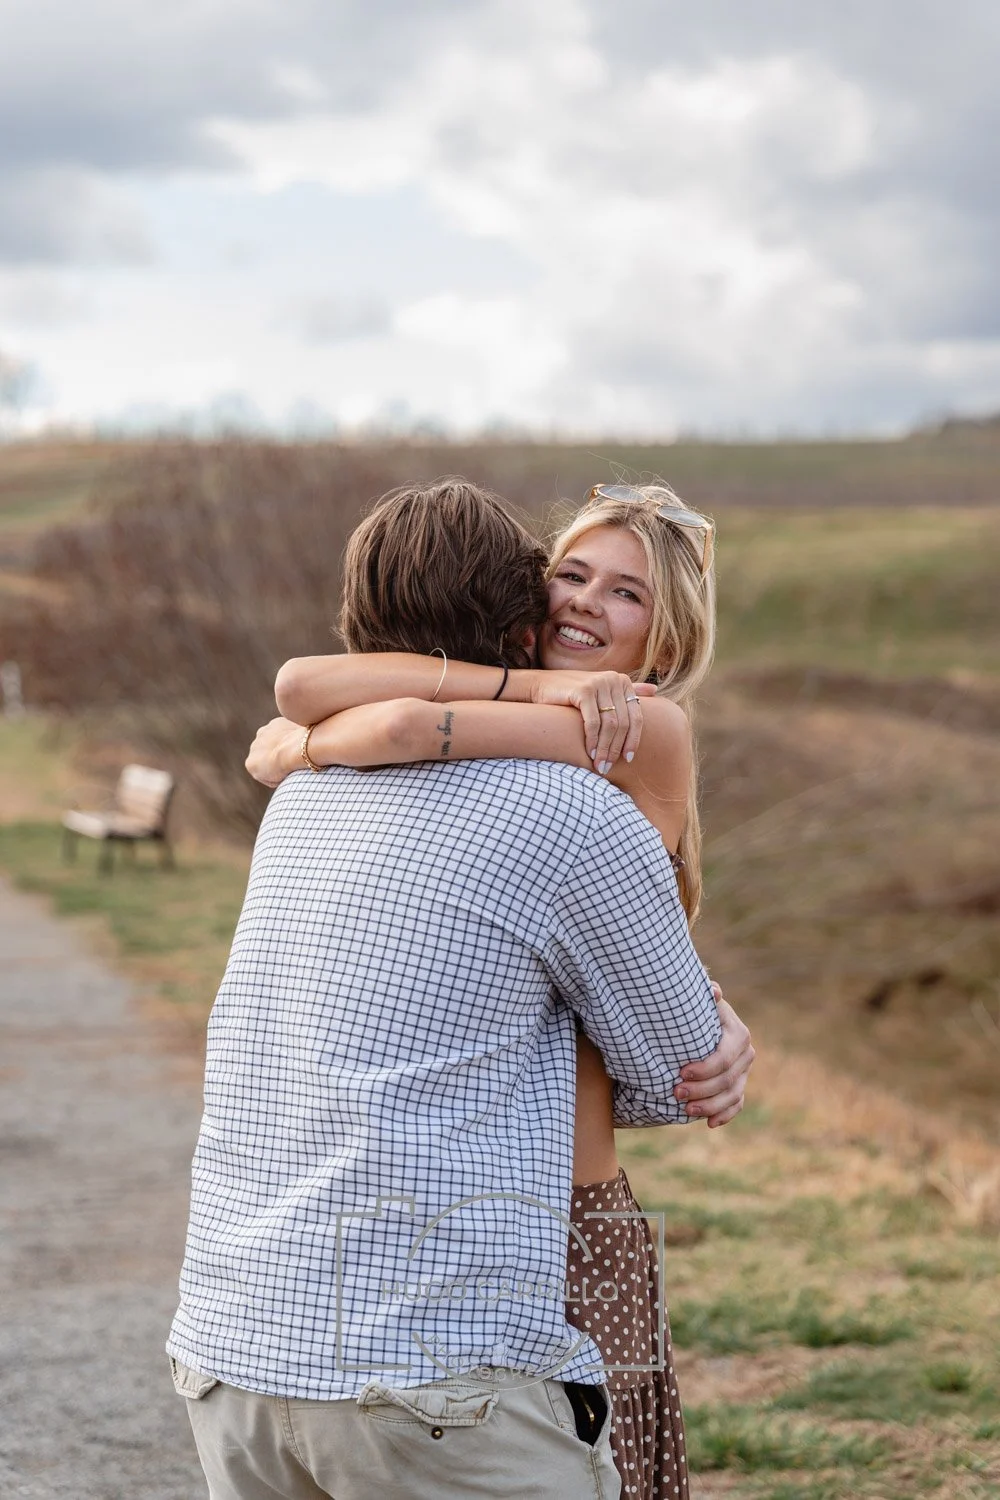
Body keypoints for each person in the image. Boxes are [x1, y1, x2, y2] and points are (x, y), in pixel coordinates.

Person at [169, 478, 744, 1500]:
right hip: (483, 1226)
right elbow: (353, 705)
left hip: (546, 1201)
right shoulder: (544, 783)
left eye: (625, 595)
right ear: (525, 600)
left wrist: (305, 747)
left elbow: (370, 719)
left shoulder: (631, 734)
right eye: (569, 575)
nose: (582, 604)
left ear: (665, 642)